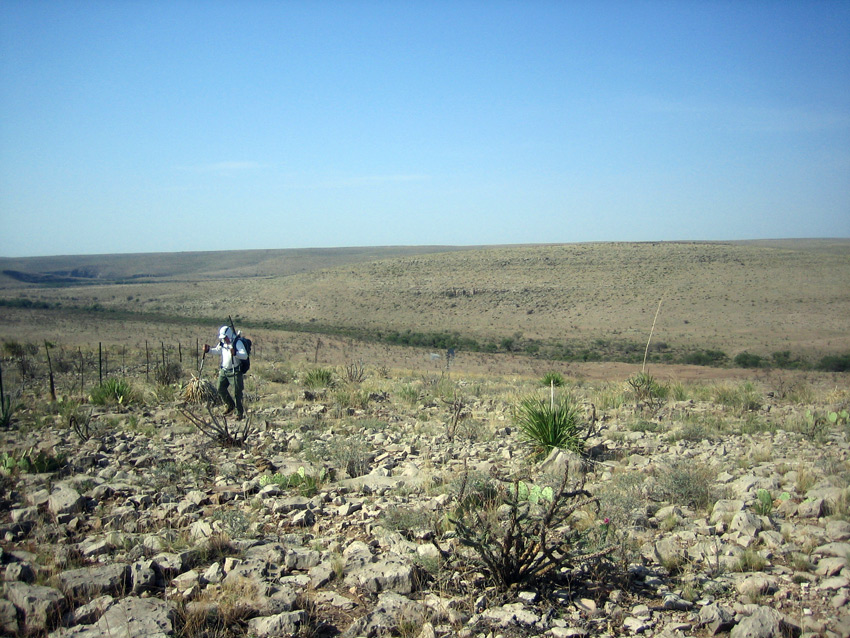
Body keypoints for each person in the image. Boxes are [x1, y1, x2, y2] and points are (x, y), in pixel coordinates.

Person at [203, 325, 248, 420]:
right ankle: (230, 405)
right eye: (223, 338)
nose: (224, 339)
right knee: (220, 388)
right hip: (224, 370)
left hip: (235, 371)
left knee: (237, 392)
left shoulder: (237, 342)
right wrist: (209, 350)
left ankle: (239, 413)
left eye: (225, 337)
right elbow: (218, 350)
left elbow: (245, 356)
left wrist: (236, 353)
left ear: (229, 335)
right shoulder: (222, 342)